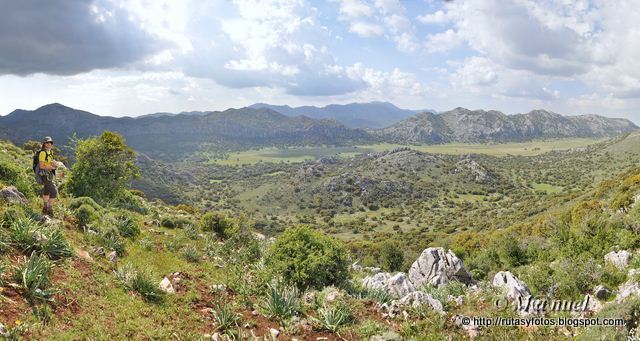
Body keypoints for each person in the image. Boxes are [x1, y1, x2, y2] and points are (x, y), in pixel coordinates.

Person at [38, 137, 58, 216]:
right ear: (44, 144)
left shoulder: (51, 152)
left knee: (46, 190)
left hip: (49, 174)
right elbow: (41, 166)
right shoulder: (43, 153)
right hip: (44, 175)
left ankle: (45, 207)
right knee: (54, 192)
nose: (49, 144)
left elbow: (51, 162)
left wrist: (55, 165)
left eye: (50, 142)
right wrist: (51, 167)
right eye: (47, 142)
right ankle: (49, 209)